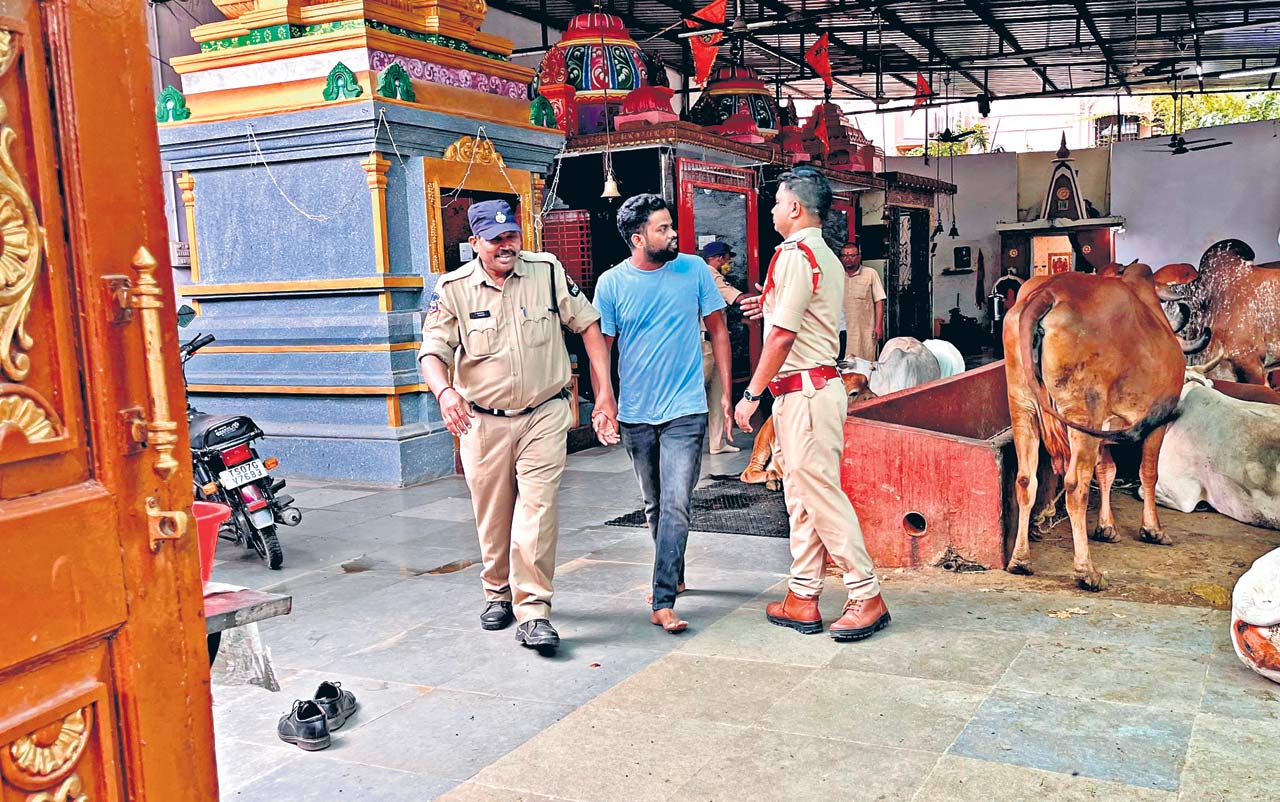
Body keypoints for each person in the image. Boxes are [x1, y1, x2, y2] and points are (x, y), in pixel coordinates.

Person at [419, 199, 619, 654]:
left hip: (544, 413)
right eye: (496, 239)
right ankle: (497, 591)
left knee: (537, 508)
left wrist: (604, 393)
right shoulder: (453, 289)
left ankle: (533, 611)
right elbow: (432, 352)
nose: (506, 245)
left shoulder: (546, 271)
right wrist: (445, 393)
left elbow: (589, 327)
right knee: (493, 515)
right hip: (481, 421)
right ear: (475, 243)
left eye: (511, 235)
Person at [735, 167, 890, 643]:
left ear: (795, 208)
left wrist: (751, 394)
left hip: (803, 392)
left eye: (777, 202)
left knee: (818, 494)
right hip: (811, 390)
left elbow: (782, 336)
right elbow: (800, 316)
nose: (773, 210)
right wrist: (769, 305)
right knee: (801, 496)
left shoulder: (794, 254)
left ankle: (865, 592)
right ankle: (802, 595)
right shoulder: (821, 254)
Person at [593, 194, 733, 633]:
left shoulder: (694, 270)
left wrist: (727, 395)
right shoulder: (611, 284)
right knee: (655, 504)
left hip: (686, 409)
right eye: (663, 229)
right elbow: (602, 349)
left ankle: (663, 598)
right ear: (638, 238)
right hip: (637, 413)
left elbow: (719, 330)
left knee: (676, 502)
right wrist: (605, 400)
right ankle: (673, 569)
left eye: (671, 226)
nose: (674, 234)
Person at [700, 240, 746, 454]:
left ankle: (717, 443)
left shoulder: (702, 274)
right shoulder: (710, 274)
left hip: (713, 344)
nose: (729, 264)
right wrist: (766, 299)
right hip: (706, 346)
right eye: (728, 259)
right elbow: (736, 298)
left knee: (718, 395)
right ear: (719, 258)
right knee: (696, 394)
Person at [837, 241, 885, 362]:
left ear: (859, 257)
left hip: (865, 330)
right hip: (842, 330)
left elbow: (879, 301)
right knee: (844, 364)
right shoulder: (836, 275)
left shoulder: (870, 274)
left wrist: (879, 326)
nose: (848, 259)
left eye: (852, 255)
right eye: (844, 255)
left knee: (866, 362)